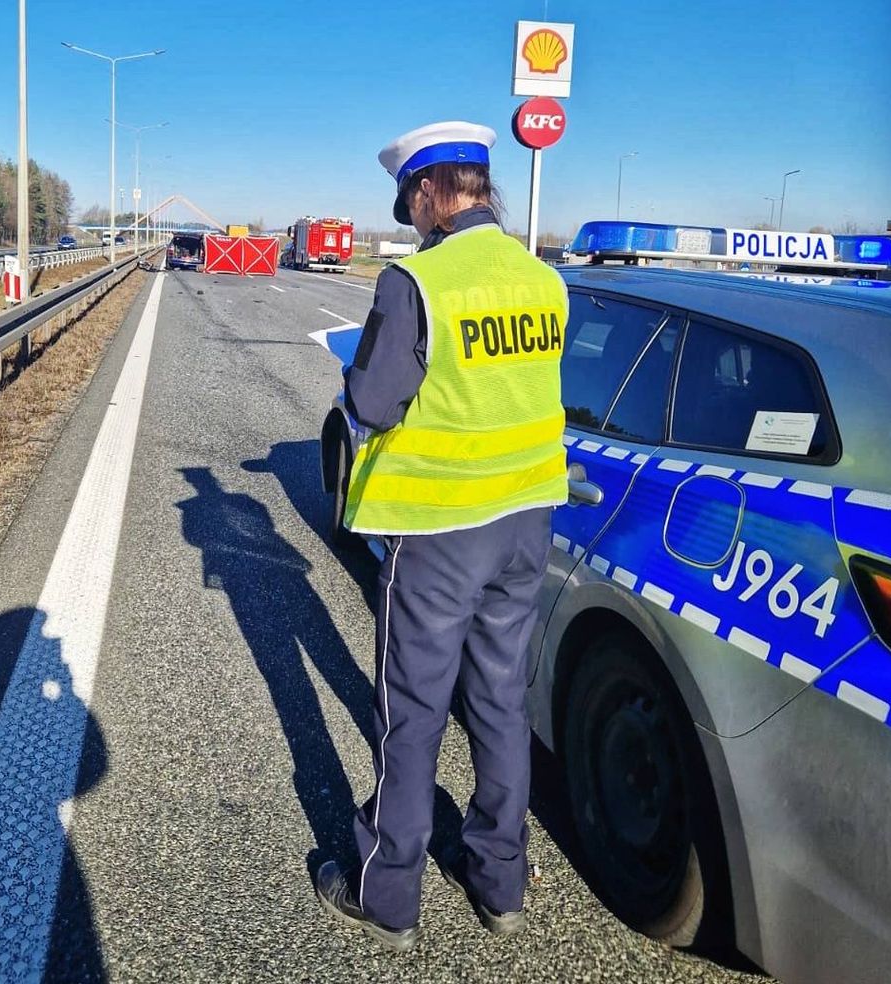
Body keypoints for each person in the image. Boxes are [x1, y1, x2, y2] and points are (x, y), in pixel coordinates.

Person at [315, 121, 569, 952]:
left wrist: (359, 378)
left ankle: (387, 891)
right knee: (499, 702)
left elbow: (377, 404)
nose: (412, 217)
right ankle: (500, 882)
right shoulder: (544, 280)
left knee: (414, 710)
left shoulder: (416, 283)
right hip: (527, 523)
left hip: (439, 531)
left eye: (410, 201)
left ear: (428, 193)